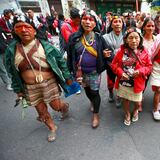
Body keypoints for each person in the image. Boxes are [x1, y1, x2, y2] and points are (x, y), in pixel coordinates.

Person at [5, 13, 73, 142]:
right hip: (29, 87)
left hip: (49, 83)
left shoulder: (46, 46)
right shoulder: (11, 50)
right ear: (14, 31)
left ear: (34, 31)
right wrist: (18, 89)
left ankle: (64, 107)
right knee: (41, 111)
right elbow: (11, 72)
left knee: (56, 106)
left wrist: (67, 76)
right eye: (19, 27)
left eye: (27, 27)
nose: (23, 30)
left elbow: (61, 62)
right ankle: (52, 128)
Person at [67, 10, 113, 128]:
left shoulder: (99, 38)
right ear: (81, 21)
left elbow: (109, 52)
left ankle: (96, 114)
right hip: (80, 73)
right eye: (85, 19)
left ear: (94, 23)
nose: (88, 22)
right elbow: (70, 56)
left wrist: (106, 54)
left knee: (95, 92)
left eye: (91, 20)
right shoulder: (74, 37)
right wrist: (69, 72)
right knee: (87, 90)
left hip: (94, 72)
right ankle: (92, 102)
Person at [111, 27, 152, 126]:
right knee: (126, 100)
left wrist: (140, 71)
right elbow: (114, 65)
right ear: (126, 39)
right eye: (130, 38)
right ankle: (127, 113)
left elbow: (149, 67)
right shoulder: (121, 51)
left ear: (140, 39)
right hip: (124, 82)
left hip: (137, 83)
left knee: (138, 103)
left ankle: (136, 111)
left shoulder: (144, 52)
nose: (134, 41)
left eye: (136, 37)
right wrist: (121, 73)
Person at [103, 15, 124, 106]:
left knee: (121, 80)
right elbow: (103, 49)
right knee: (110, 81)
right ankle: (111, 92)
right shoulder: (105, 37)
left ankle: (119, 96)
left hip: (123, 63)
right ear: (111, 25)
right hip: (110, 63)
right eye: (115, 22)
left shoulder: (127, 36)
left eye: (119, 21)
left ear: (122, 24)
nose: (117, 24)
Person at [150, 34, 160, 120]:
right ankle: (155, 110)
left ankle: (158, 103)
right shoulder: (158, 38)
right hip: (157, 67)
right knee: (158, 89)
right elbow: (154, 53)